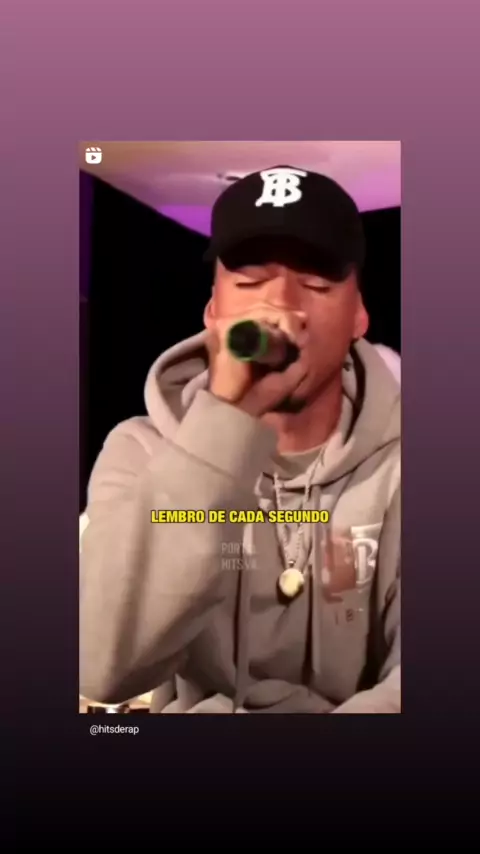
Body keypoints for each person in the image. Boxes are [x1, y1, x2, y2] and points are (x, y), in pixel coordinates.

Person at [80, 165, 401, 713]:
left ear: (359, 314)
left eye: (317, 283)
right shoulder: (141, 451)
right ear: (213, 311)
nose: (280, 305)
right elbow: (101, 666)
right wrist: (227, 417)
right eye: (250, 282)